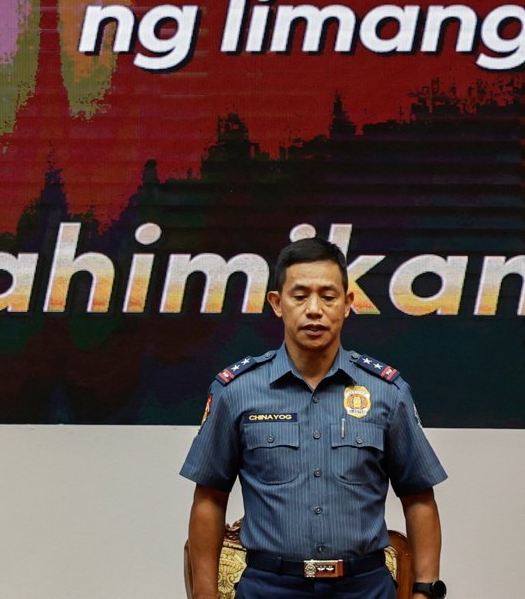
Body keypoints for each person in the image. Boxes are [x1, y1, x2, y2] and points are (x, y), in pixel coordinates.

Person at [182, 236, 448, 599]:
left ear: (348, 304)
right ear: (277, 303)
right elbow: (209, 498)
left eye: (328, 296)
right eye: (299, 295)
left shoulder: (387, 391)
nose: (314, 309)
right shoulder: (237, 391)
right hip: (270, 588)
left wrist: (425, 591)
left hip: (364, 588)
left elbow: (418, 497)